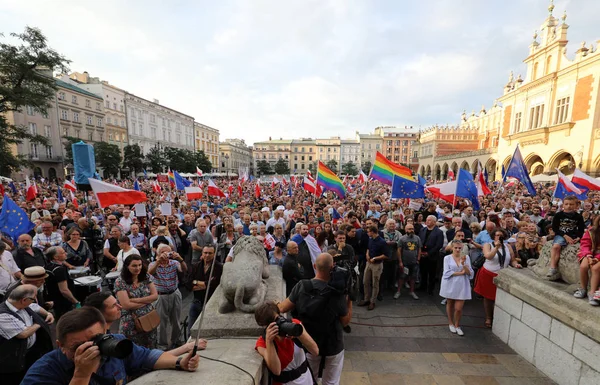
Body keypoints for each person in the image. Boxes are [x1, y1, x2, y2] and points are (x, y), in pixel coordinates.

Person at [20, 307, 200, 384]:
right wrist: (81, 375)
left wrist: (178, 362)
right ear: (61, 346)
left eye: (96, 340)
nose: (92, 349)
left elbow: (146, 356)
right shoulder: (43, 372)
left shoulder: (113, 344)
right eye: (78, 347)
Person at [278, 253, 352, 385]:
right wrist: (349, 298)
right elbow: (345, 321)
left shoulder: (303, 286)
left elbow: (282, 308)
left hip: (308, 342)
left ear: (314, 266)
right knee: (332, 381)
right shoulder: (337, 292)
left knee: (310, 378)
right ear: (332, 267)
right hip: (333, 344)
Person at [84, 292, 207, 354]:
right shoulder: (90, 342)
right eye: (113, 306)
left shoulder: (114, 337)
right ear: (98, 312)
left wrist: (186, 348)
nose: (120, 306)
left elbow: (145, 356)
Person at [0, 284, 54, 385]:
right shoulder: (2, 315)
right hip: (11, 363)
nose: (33, 301)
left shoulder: (22, 305)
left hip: (28, 356)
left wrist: (47, 314)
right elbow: (23, 333)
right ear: (24, 300)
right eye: (33, 299)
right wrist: (39, 323)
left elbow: (36, 307)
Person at [254, 301, 319, 385]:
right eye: (273, 323)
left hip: (306, 379)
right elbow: (276, 371)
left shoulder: (293, 324)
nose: (278, 323)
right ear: (264, 325)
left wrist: (298, 334)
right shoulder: (262, 342)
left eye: (278, 318)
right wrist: (269, 341)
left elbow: (315, 351)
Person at [474, 229, 522, 328]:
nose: (499, 237)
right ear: (493, 236)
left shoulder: (508, 246)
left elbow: (512, 260)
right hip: (488, 273)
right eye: (497, 235)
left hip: (501, 274)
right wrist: (496, 247)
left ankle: (497, 316)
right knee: (488, 297)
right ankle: (489, 317)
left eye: (501, 235)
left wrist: (516, 264)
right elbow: (488, 256)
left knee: (498, 297)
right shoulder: (488, 245)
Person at [114, 254, 159, 348]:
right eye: (134, 265)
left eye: (139, 265)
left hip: (148, 319)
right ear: (127, 266)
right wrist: (147, 301)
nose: (138, 268)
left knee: (151, 348)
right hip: (131, 322)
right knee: (133, 350)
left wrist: (137, 300)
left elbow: (155, 296)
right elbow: (126, 305)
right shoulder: (120, 281)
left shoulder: (145, 276)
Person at [149, 244, 187, 350]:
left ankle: (177, 340)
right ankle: (162, 345)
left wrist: (181, 259)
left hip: (174, 293)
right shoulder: (153, 264)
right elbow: (150, 273)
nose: (166, 255)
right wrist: (158, 262)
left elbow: (184, 270)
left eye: (168, 252)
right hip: (160, 295)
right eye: (163, 252)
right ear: (158, 253)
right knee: (161, 322)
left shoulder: (174, 263)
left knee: (176, 319)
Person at [186, 245, 223, 336]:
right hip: (196, 302)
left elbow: (214, 284)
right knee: (191, 331)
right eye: (205, 253)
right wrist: (203, 284)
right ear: (202, 254)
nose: (207, 255)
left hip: (211, 304)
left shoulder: (219, 267)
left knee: (209, 331)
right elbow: (188, 283)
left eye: (210, 253)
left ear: (214, 254)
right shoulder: (196, 266)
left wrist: (196, 283)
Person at [440, 240, 474, 336]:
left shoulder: (466, 257)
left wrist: (463, 264)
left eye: (459, 248)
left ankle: (457, 325)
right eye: (456, 248)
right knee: (450, 303)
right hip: (450, 283)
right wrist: (460, 273)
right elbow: (446, 273)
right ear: (452, 248)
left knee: (458, 308)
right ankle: (451, 323)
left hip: (462, 284)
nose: (458, 250)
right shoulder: (447, 258)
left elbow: (470, 272)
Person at [547, 196, 585, 280]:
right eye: (566, 204)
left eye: (571, 204)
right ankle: (552, 267)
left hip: (573, 235)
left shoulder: (578, 216)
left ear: (576, 206)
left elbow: (581, 229)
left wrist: (579, 237)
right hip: (561, 234)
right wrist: (565, 236)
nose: (569, 206)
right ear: (563, 205)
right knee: (556, 247)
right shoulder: (558, 215)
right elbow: (555, 228)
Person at [358, 225, 390, 310]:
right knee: (365, 281)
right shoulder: (370, 239)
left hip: (377, 264)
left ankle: (373, 301)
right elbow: (368, 248)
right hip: (369, 263)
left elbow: (386, 255)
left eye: (368, 231)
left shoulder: (382, 242)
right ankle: (366, 299)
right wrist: (367, 255)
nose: (367, 233)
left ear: (372, 232)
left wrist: (375, 258)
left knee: (375, 283)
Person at [45, 246, 79, 320]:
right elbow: (64, 290)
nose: (66, 253)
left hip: (55, 301)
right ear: (56, 257)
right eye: (63, 253)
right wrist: (76, 302)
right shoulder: (59, 270)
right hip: (63, 303)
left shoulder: (48, 266)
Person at [575, 215, 600, 306]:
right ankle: (583, 288)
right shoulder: (591, 231)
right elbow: (585, 244)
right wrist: (589, 256)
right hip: (590, 253)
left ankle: (592, 292)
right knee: (583, 266)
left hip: (598, 256)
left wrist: (597, 259)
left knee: (595, 268)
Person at [418, 215, 444, 296]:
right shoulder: (422, 230)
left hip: (432, 255)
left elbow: (439, 245)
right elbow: (419, 241)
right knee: (423, 272)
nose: (427, 221)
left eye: (429, 220)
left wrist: (429, 253)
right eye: (426, 220)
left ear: (434, 222)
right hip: (422, 254)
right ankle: (423, 286)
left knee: (432, 273)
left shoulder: (439, 232)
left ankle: (431, 289)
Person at [395, 224, 421, 300]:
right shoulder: (402, 239)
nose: (411, 230)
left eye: (412, 229)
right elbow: (399, 250)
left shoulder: (417, 238)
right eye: (409, 229)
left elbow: (419, 249)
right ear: (406, 230)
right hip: (405, 262)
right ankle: (398, 291)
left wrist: (418, 259)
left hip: (414, 262)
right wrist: (400, 261)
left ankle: (412, 291)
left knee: (413, 277)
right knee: (402, 277)